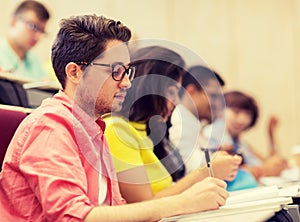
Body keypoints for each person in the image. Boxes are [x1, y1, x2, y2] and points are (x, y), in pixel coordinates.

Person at [0, 15, 229, 221]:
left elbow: (114, 207)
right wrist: (182, 202)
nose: (127, 82)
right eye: (116, 71)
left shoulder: (95, 128)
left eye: (127, 71)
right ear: (75, 72)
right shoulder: (50, 126)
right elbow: (74, 217)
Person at [103, 46, 229, 204]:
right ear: (149, 89)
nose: (176, 101)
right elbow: (145, 205)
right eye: (171, 92)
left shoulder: (145, 131)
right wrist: (206, 172)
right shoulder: (116, 129)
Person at [168, 65, 242, 177]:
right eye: (213, 96)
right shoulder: (178, 122)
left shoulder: (193, 123)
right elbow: (193, 171)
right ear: (191, 91)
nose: (218, 104)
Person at [204, 90, 288, 180]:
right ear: (220, 110)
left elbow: (268, 163)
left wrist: (271, 134)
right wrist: (263, 170)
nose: (242, 119)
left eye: (247, 114)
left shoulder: (241, 143)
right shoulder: (213, 134)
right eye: (236, 112)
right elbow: (224, 172)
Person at [0, 0, 51, 81]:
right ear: (14, 22)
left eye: (41, 31)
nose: (38, 36)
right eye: (33, 26)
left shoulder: (35, 62)